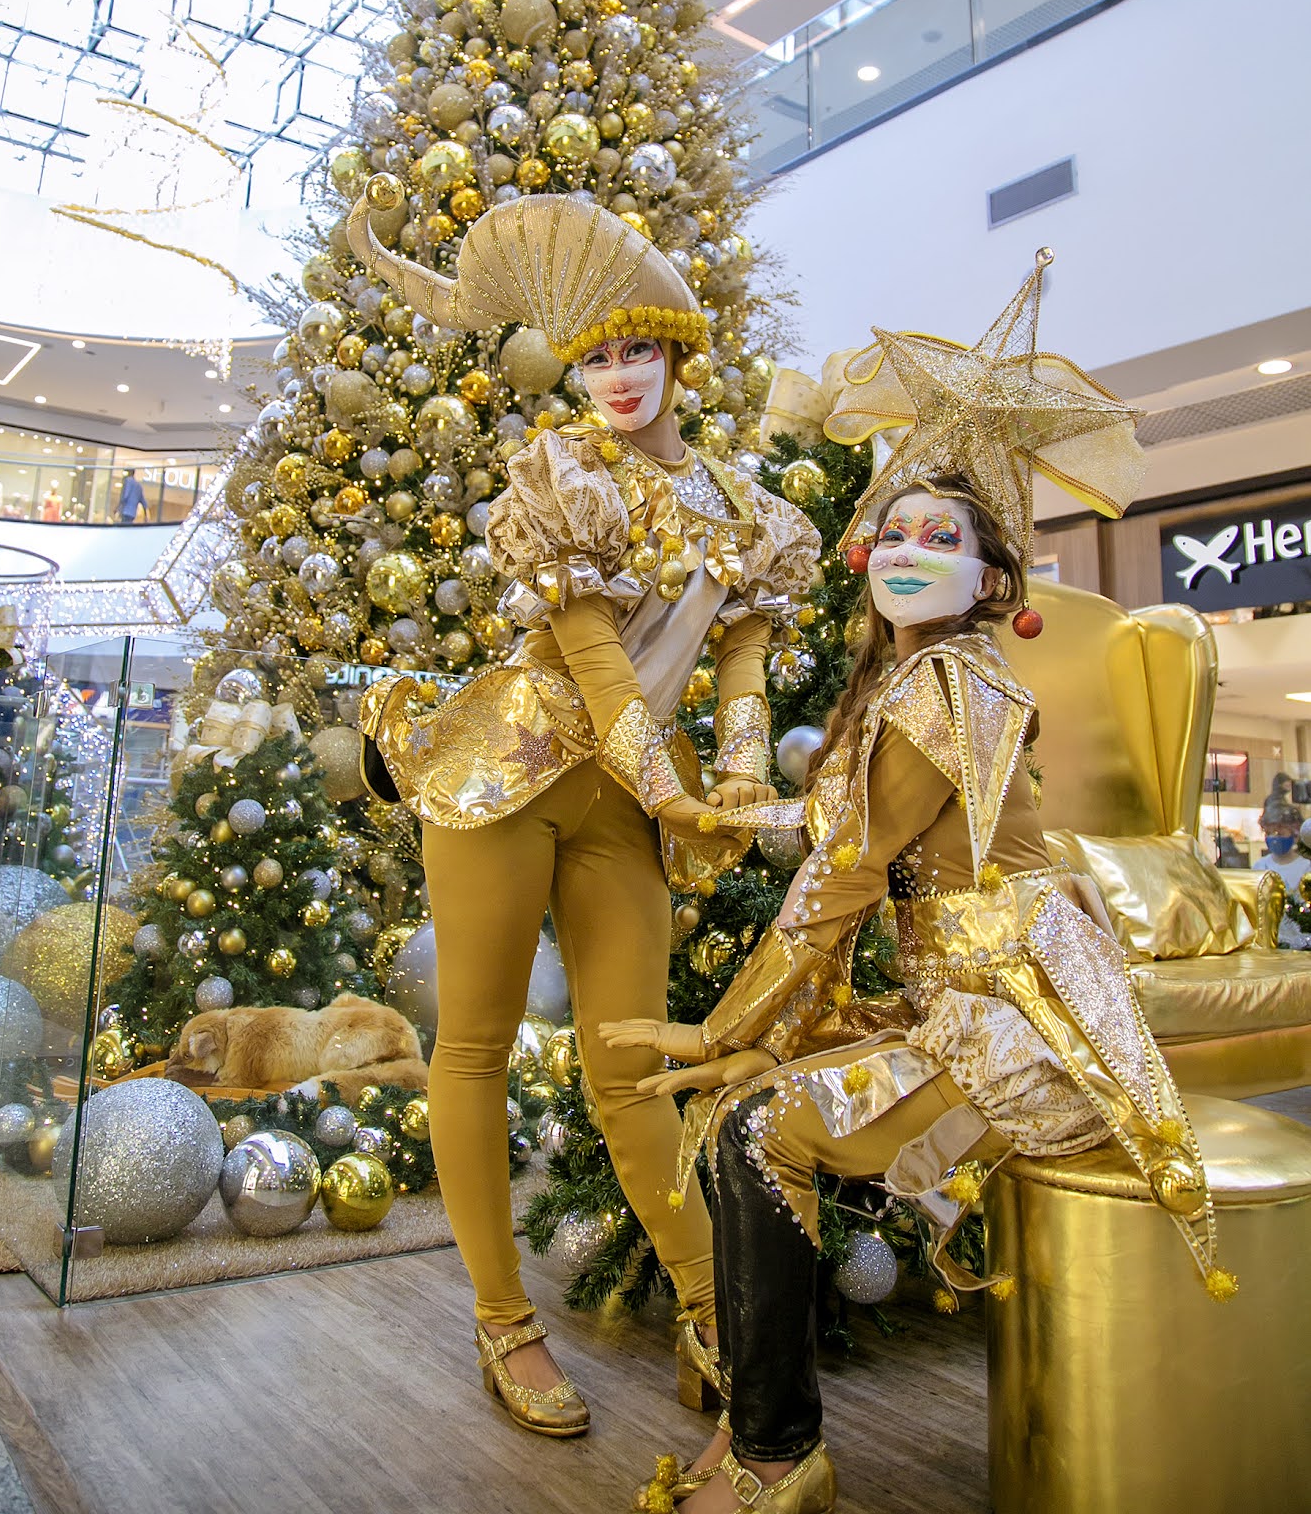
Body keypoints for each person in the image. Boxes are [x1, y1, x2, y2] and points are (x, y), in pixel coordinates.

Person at [606, 252, 1231, 1514]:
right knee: (751, 1116)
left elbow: (844, 875)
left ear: (991, 581)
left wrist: (722, 1025)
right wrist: (737, 809)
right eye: (892, 528)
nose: (907, 548)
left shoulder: (940, 684)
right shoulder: (924, 684)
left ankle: (778, 1454)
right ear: (857, 547)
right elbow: (859, 830)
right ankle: (756, 1435)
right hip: (978, 990)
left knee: (747, 1123)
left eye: (939, 537)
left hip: (1015, 1015)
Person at [348, 191, 821, 1437]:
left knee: (630, 1070)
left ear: (678, 351)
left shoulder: (751, 512)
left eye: (638, 348)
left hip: (624, 800)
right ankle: (504, 1320)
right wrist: (669, 782)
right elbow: (594, 652)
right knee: (475, 1047)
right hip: (507, 770)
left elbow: (741, 662)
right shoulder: (560, 471)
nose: (615, 375)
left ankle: (715, 1314)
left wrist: (732, 773)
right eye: (596, 353)